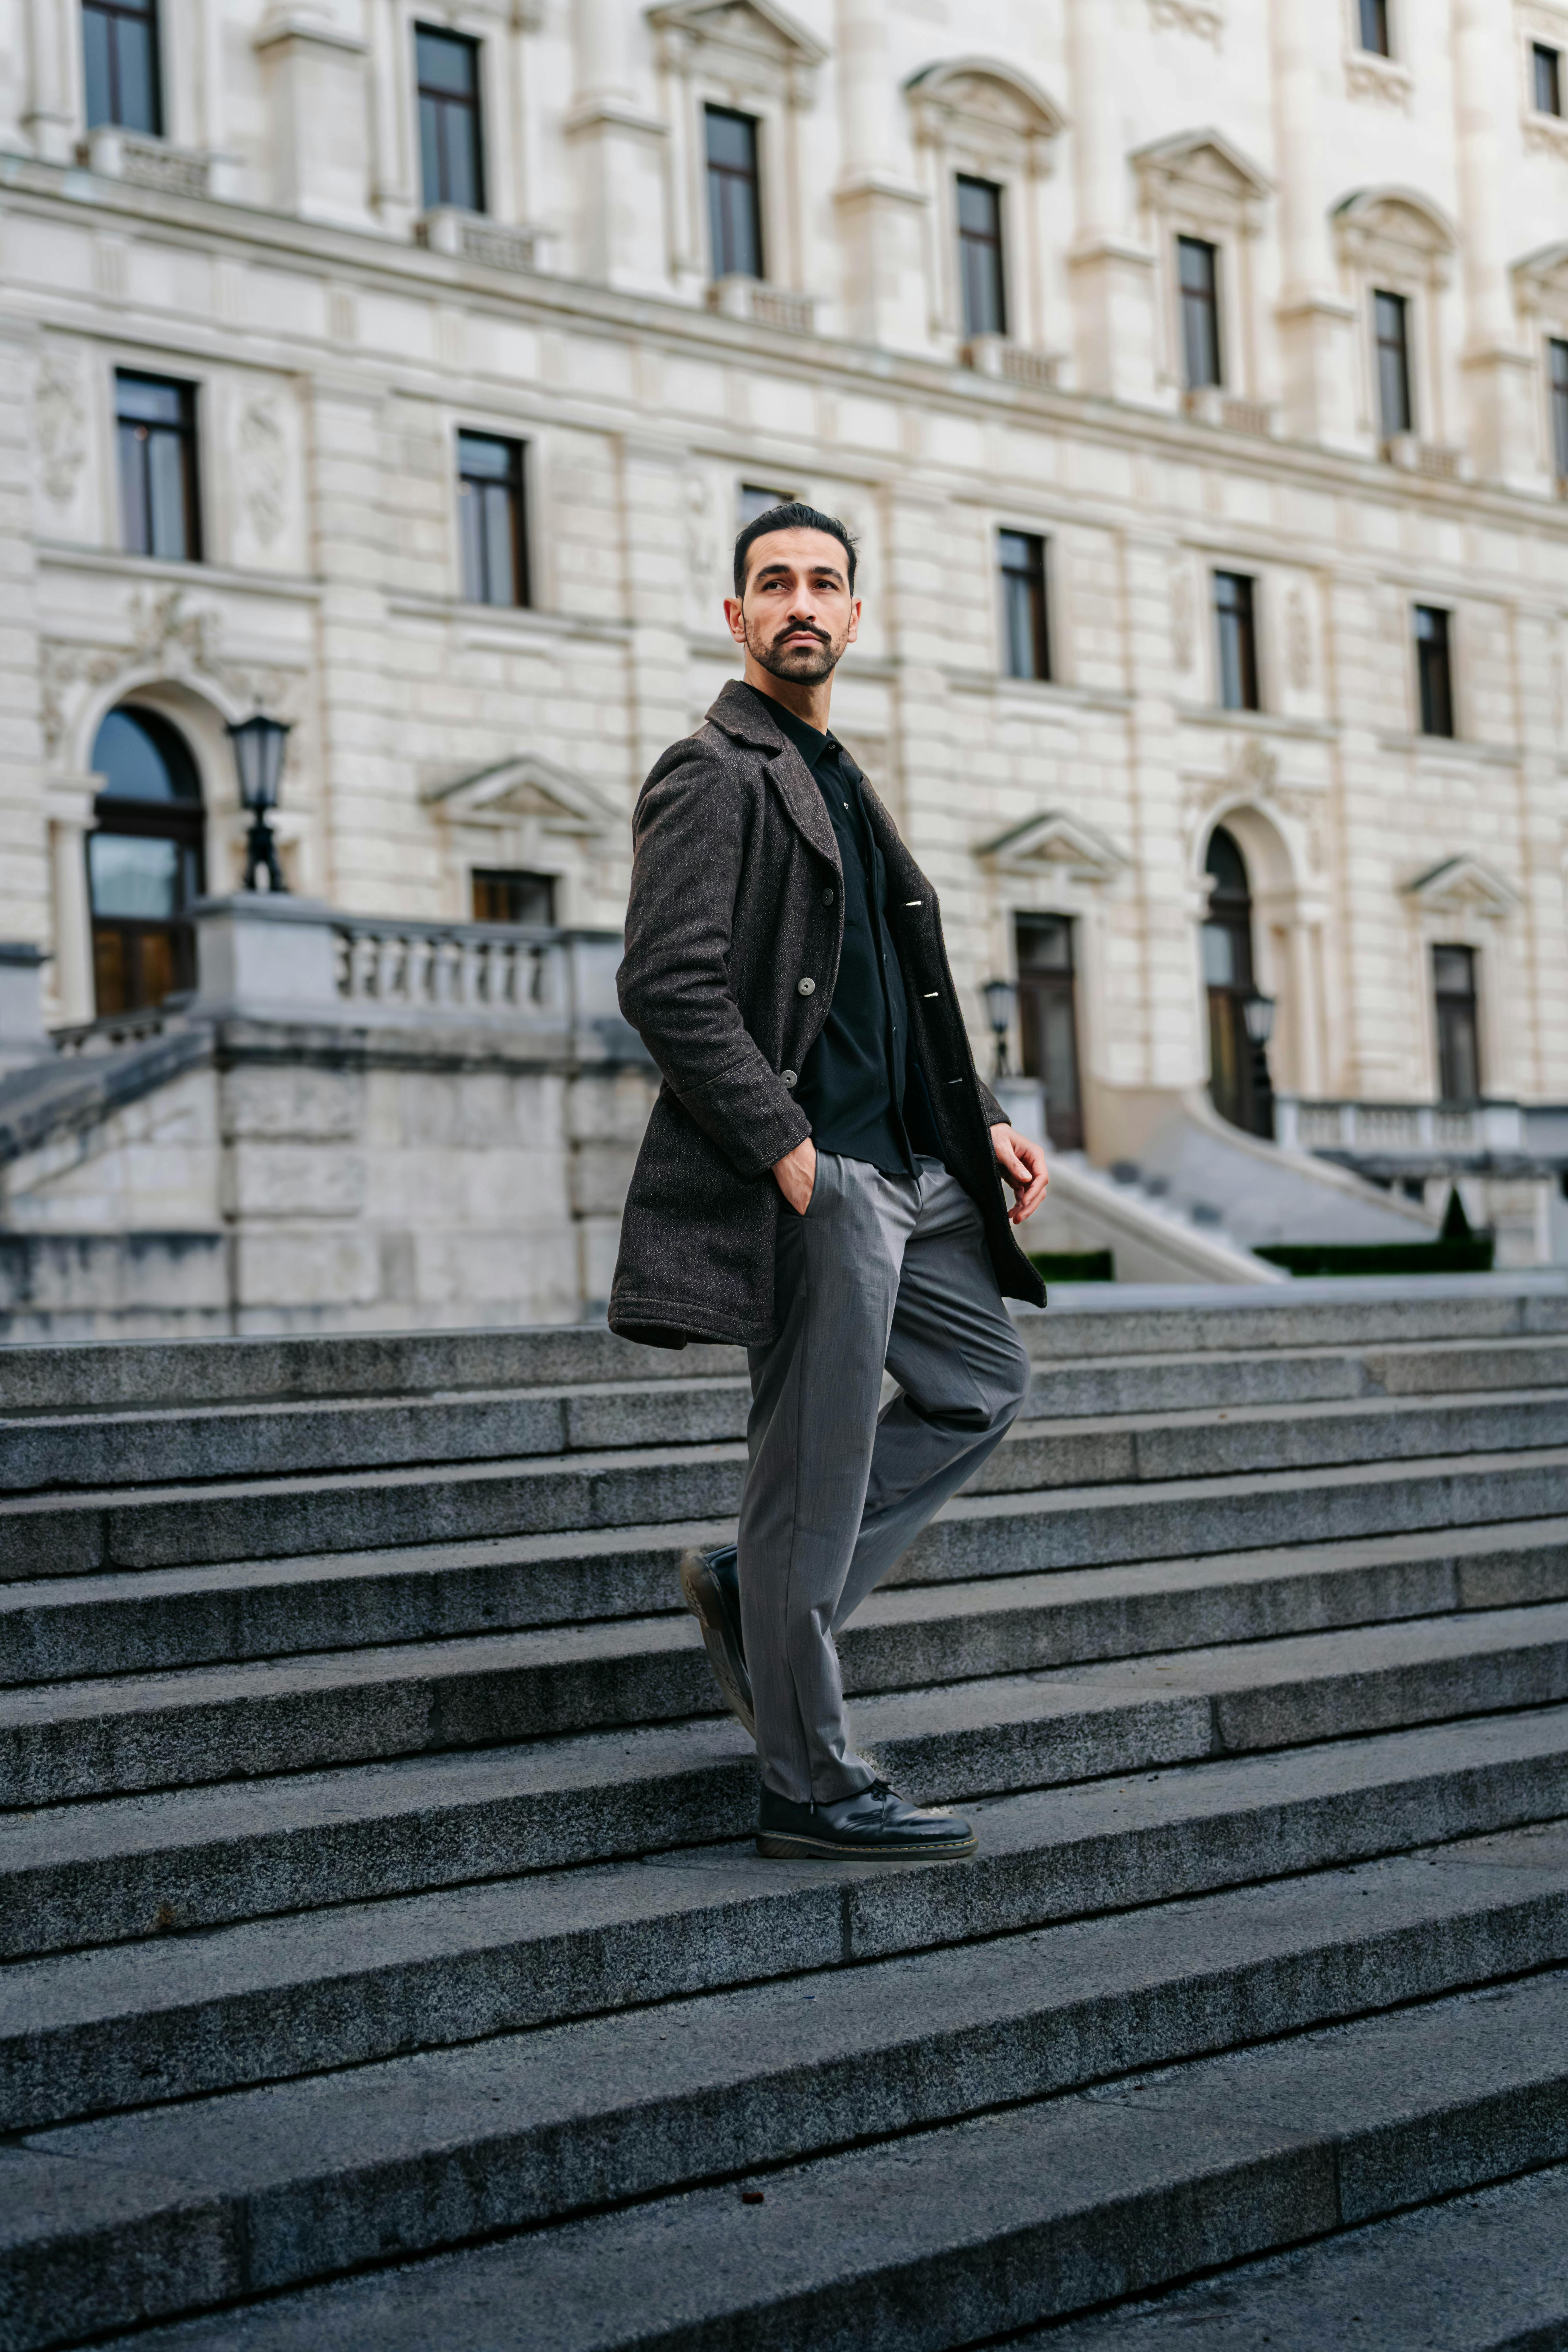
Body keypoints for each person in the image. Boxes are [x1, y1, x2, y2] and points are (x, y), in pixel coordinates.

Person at [610, 501, 1049, 1860]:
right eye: (773, 584)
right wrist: (789, 1152)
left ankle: (758, 1589)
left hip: (918, 1172)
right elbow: (666, 986)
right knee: (813, 1466)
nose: (801, 601)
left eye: (824, 583)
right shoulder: (713, 770)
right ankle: (806, 1781)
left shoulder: (840, 773)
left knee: (982, 1384)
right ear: (737, 617)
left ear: (855, 615)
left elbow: (891, 996)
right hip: (827, 1181)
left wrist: (975, 1117)